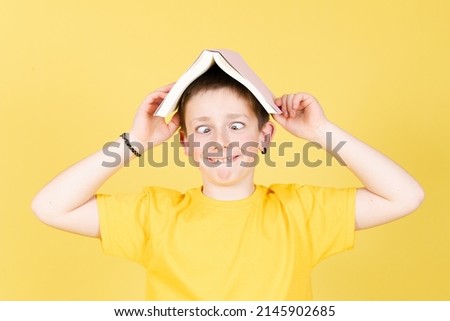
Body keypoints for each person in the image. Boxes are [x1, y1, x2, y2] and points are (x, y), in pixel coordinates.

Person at [31, 64, 424, 300]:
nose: (221, 141)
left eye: (236, 125)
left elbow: (405, 196)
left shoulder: (301, 213)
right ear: (185, 144)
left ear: (265, 137)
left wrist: (321, 131)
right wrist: (134, 142)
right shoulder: (154, 215)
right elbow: (49, 207)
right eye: (204, 129)